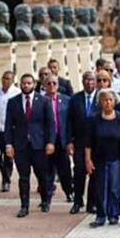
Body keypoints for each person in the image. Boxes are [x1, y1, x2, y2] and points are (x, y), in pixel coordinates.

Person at [4, 74, 55, 217]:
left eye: (29, 83)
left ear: (34, 84)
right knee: (23, 177)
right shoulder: (13, 102)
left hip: (39, 145)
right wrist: (9, 144)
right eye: (23, 83)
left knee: (42, 175)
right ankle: (24, 206)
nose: (26, 85)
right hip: (21, 146)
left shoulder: (44, 101)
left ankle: (45, 200)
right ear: (20, 84)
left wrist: (50, 142)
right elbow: (8, 125)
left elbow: (50, 124)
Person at [85, 89, 120, 227]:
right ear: (100, 102)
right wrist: (88, 160)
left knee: (114, 188)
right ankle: (101, 215)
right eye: (105, 100)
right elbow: (88, 142)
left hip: (116, 158)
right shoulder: (93, 119)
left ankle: (113, 214)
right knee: (100, 187)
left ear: (115, 101)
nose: (107, 102)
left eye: (110, 99)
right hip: (99, 159)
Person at [67, 71, 98, 214]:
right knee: (79, 173)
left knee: (94, 174)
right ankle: (77, 201)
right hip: (79, 142)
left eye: (92, 80)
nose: (89, 83)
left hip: (97, 144)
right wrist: (69, 141)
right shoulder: (75, 99)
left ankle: (91, 203)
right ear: (82, 81)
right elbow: (69, 121)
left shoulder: (101, 98)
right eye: (86, 80)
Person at [43, 75, 74, 203]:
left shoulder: (66, 100)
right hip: (46, 141)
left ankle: (69, 193)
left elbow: (71, 121)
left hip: (62, 139)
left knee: (64, 170)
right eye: (49, 83)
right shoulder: (40, 101)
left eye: (54, 83)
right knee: (47, 170)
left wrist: (70, 141)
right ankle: (47, 197)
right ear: (44, 86)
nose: (51, 86)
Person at [0, 71, 19, 192]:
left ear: (13, 80)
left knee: (8, 156)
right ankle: (5, 173)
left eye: (8, 79)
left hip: (10, 129)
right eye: (4, 78)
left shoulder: (16, 92)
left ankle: (6, 180)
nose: (5, 81)